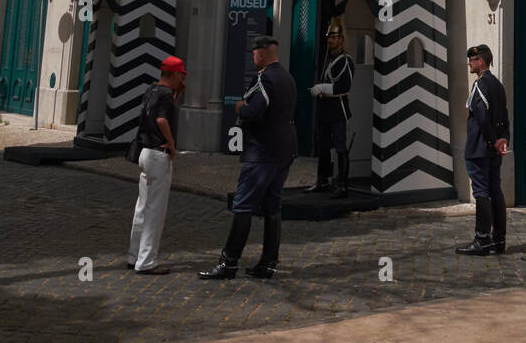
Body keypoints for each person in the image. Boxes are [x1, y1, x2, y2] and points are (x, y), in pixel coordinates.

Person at [199, 35, 297, 281]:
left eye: (254, 52)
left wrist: (240, 107)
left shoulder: (264, 78)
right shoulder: (288, 77)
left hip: (263, 151)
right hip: (285, 150)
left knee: (243, 204)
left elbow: (255, 110)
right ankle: (268, 263)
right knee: (273, 206)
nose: (253, 56)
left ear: (261, 53)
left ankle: (228, 262)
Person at [128, 54, 187, 275]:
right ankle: (146, 262)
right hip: (157, 154)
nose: (183, 80)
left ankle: (134, 255)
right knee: (155, 211)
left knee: (142, 208)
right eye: (182, 75)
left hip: (144, 152)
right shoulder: (164, 95)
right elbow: (162, 120)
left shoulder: (151, 90)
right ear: (176, 74)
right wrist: (171, 143)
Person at [455, 44, 510, 256]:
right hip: (494, 149)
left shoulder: (480, 85)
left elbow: (481, 117)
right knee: (495, 190)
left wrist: (491, 141)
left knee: (481, 193)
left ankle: (482, 240)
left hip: (480, 148)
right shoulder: (498, 85)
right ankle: (499, 240)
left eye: (472, 59)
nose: (469, 62)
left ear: (481, 60)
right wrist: (503, 139)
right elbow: (504, 117)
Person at [307, 16, 355, 198]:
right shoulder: (328, 58)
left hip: (338, 109)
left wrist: (321, 88)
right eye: (329, 37)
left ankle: (342, 185)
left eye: (333, 37)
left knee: (341, 147)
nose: (330, 40)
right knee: (323, 146)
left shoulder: (346, 60)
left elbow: (344, 87)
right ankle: (323, 180)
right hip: (325, 109)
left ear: (341, 39)